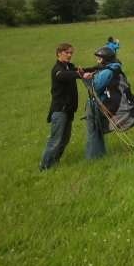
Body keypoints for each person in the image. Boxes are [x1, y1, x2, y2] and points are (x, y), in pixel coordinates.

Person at [40, 43, 93, 171]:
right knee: (55, 140)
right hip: (59, 111)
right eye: (67, 52)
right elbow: (65, 75)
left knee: (64, 139)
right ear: (59, 53)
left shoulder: (68, 66)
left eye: (71, 53)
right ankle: (45, 167)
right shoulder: (57, 69)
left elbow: (80, 70)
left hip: (69, 110)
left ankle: (55, 162)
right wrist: (80, 75)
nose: (69, 55)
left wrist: (101, 67)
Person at [85, 46, 123, 159]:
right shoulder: (112, 68)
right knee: (96, 131)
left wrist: (88, 79)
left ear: (105, 59)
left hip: (98, 104)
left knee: (93, 132)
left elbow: (96, 87)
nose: (98, 61)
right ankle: (100, 155)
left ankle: (93, 158)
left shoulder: (107, 71)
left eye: (99, 59)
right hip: (101, 103)